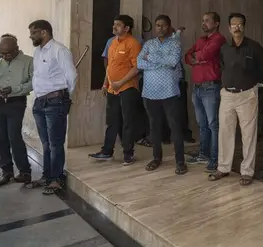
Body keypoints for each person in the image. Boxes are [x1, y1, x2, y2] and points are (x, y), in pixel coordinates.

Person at [208, 13, 263, 186]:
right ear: (229, 28)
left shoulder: (254, 47)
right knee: (225, 132)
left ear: (244, 26)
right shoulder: (224, 48)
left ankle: (247, 171)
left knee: (248, 134)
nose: (237, 27)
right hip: (227, 94)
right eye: (233, 24)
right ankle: (223, 167)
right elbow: (221, 67)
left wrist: (251, 82)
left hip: (247, 94)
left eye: (240, 24)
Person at [27, 20, 76, 195]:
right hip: (40, 102)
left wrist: (63, 96)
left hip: (55, 102)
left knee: (55, 144)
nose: (31, 36)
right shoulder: (38, 51)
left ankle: (57, 179)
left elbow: (71, 75)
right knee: (46, 143)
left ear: (44, 32)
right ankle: (47, 176)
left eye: (34, 32)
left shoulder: (59, 50)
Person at [89, 15, 142, 165]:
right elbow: (110, 67)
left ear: (127, 28)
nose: (114, 27)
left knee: (127, 122)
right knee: (112, 121)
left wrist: (121, 82)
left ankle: (128, 154)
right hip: (113, 89)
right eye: (114, 24)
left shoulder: (133, 43)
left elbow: (137, 67)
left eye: (118, 25)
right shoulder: (112, 43)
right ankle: (107, 151)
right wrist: (106, 83)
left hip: (127, 88)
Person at [137, 15, 186, 174]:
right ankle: (156, 158)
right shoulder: (149, 43)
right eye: (157, 25)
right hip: (150, 92)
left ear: (169, 27)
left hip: (169, 91)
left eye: (163, 25)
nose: (160, 28)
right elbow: (139, 62)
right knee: (154, 127)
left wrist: (150, 58)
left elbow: (173, 62)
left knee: (175, 127)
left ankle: (180, 161)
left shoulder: (175, 43)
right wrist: (160, 63)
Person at [0, 35, 33, 187]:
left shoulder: (28, 61)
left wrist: (14, 90)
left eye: (7, 53)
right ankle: (6, 171)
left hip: (16, 103)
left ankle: (25, 171)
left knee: (14, 136)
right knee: (1, 137)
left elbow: (33, 82)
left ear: (16, 49)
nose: (4, 56)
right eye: (2, 53)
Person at [185, 12, 226, 173]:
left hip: (210, 87)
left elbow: (207, 54)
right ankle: (204, 155)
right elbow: (187, 56)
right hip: (197, 87)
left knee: (213, 124)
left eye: (207, 21)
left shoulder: (219, 39)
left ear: (216, 23)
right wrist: (197, 57)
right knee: (202, 124)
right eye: (203, 21)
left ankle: (215, 159)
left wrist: (197, 57)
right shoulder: (201, 40)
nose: (204, 23)